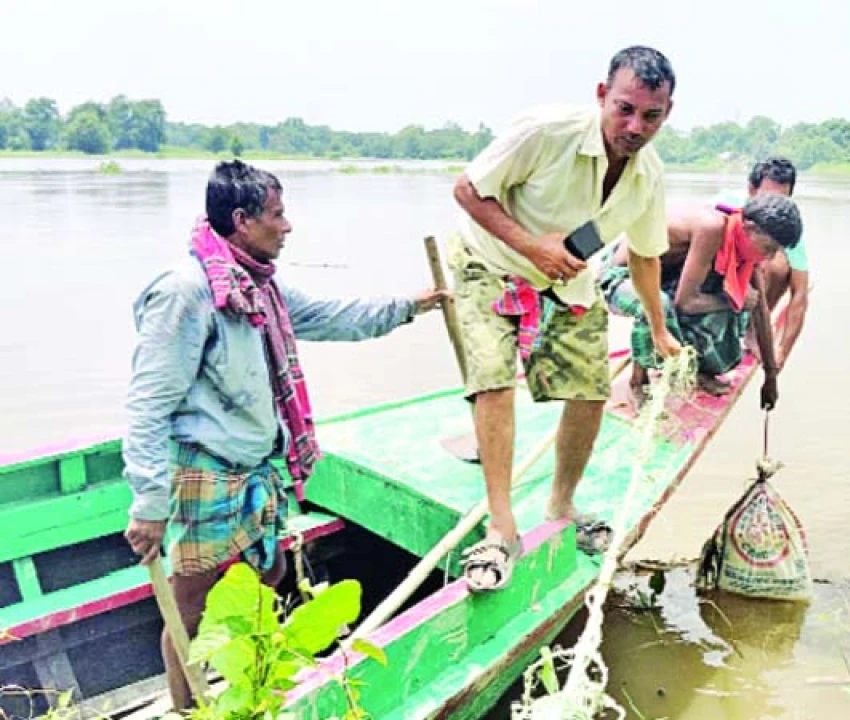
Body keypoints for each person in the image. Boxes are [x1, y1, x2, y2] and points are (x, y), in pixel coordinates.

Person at [121, 160, 447, 710]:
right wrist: (149, 503)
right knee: (191, 610)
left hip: (255, 468)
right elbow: (146, 405)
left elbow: (332, 316)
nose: (288, 226)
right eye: (278, 215)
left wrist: (411, 306)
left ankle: (251, 685)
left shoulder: (259, 287)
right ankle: (188, 706)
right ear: (243, 220)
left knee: (269, 578)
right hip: (205, 468)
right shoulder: (187, 292)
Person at [448, 46, 681, 593]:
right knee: (495, 381)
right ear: (602, 95)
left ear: (667, 113)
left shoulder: (648, 175)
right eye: (624, 109)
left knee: (591, 389)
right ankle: (500, 524)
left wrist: (658, 326)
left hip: (567, 281)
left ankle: (562, 502)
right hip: (492, 264)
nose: (634, 126)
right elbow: (467, 189)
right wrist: (533, 248)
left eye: (650, 116)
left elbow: (646, 255)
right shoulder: (546, 133)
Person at [600, 192, 803, 408]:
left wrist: (770, 376)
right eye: (768, 249)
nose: (769, 258)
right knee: (660, 303)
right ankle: (638, 382)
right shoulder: (712, 229)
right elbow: (684, 303)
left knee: (736, 296)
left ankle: (697, 367)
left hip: (663, 274)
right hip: (624, 275)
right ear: (750, 227)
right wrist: (731, 301)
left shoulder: (745, 245)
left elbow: (760, 309)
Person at [713, 156, 811, 372]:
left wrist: (781, 354)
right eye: (766, 196)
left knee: (776, 264)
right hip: (716, 279)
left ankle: (753, 330)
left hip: (752, 287)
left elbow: (800, 295)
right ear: (751, 190)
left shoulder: (786, 226)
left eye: (782, 200)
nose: (772, 208)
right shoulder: (724, 206)